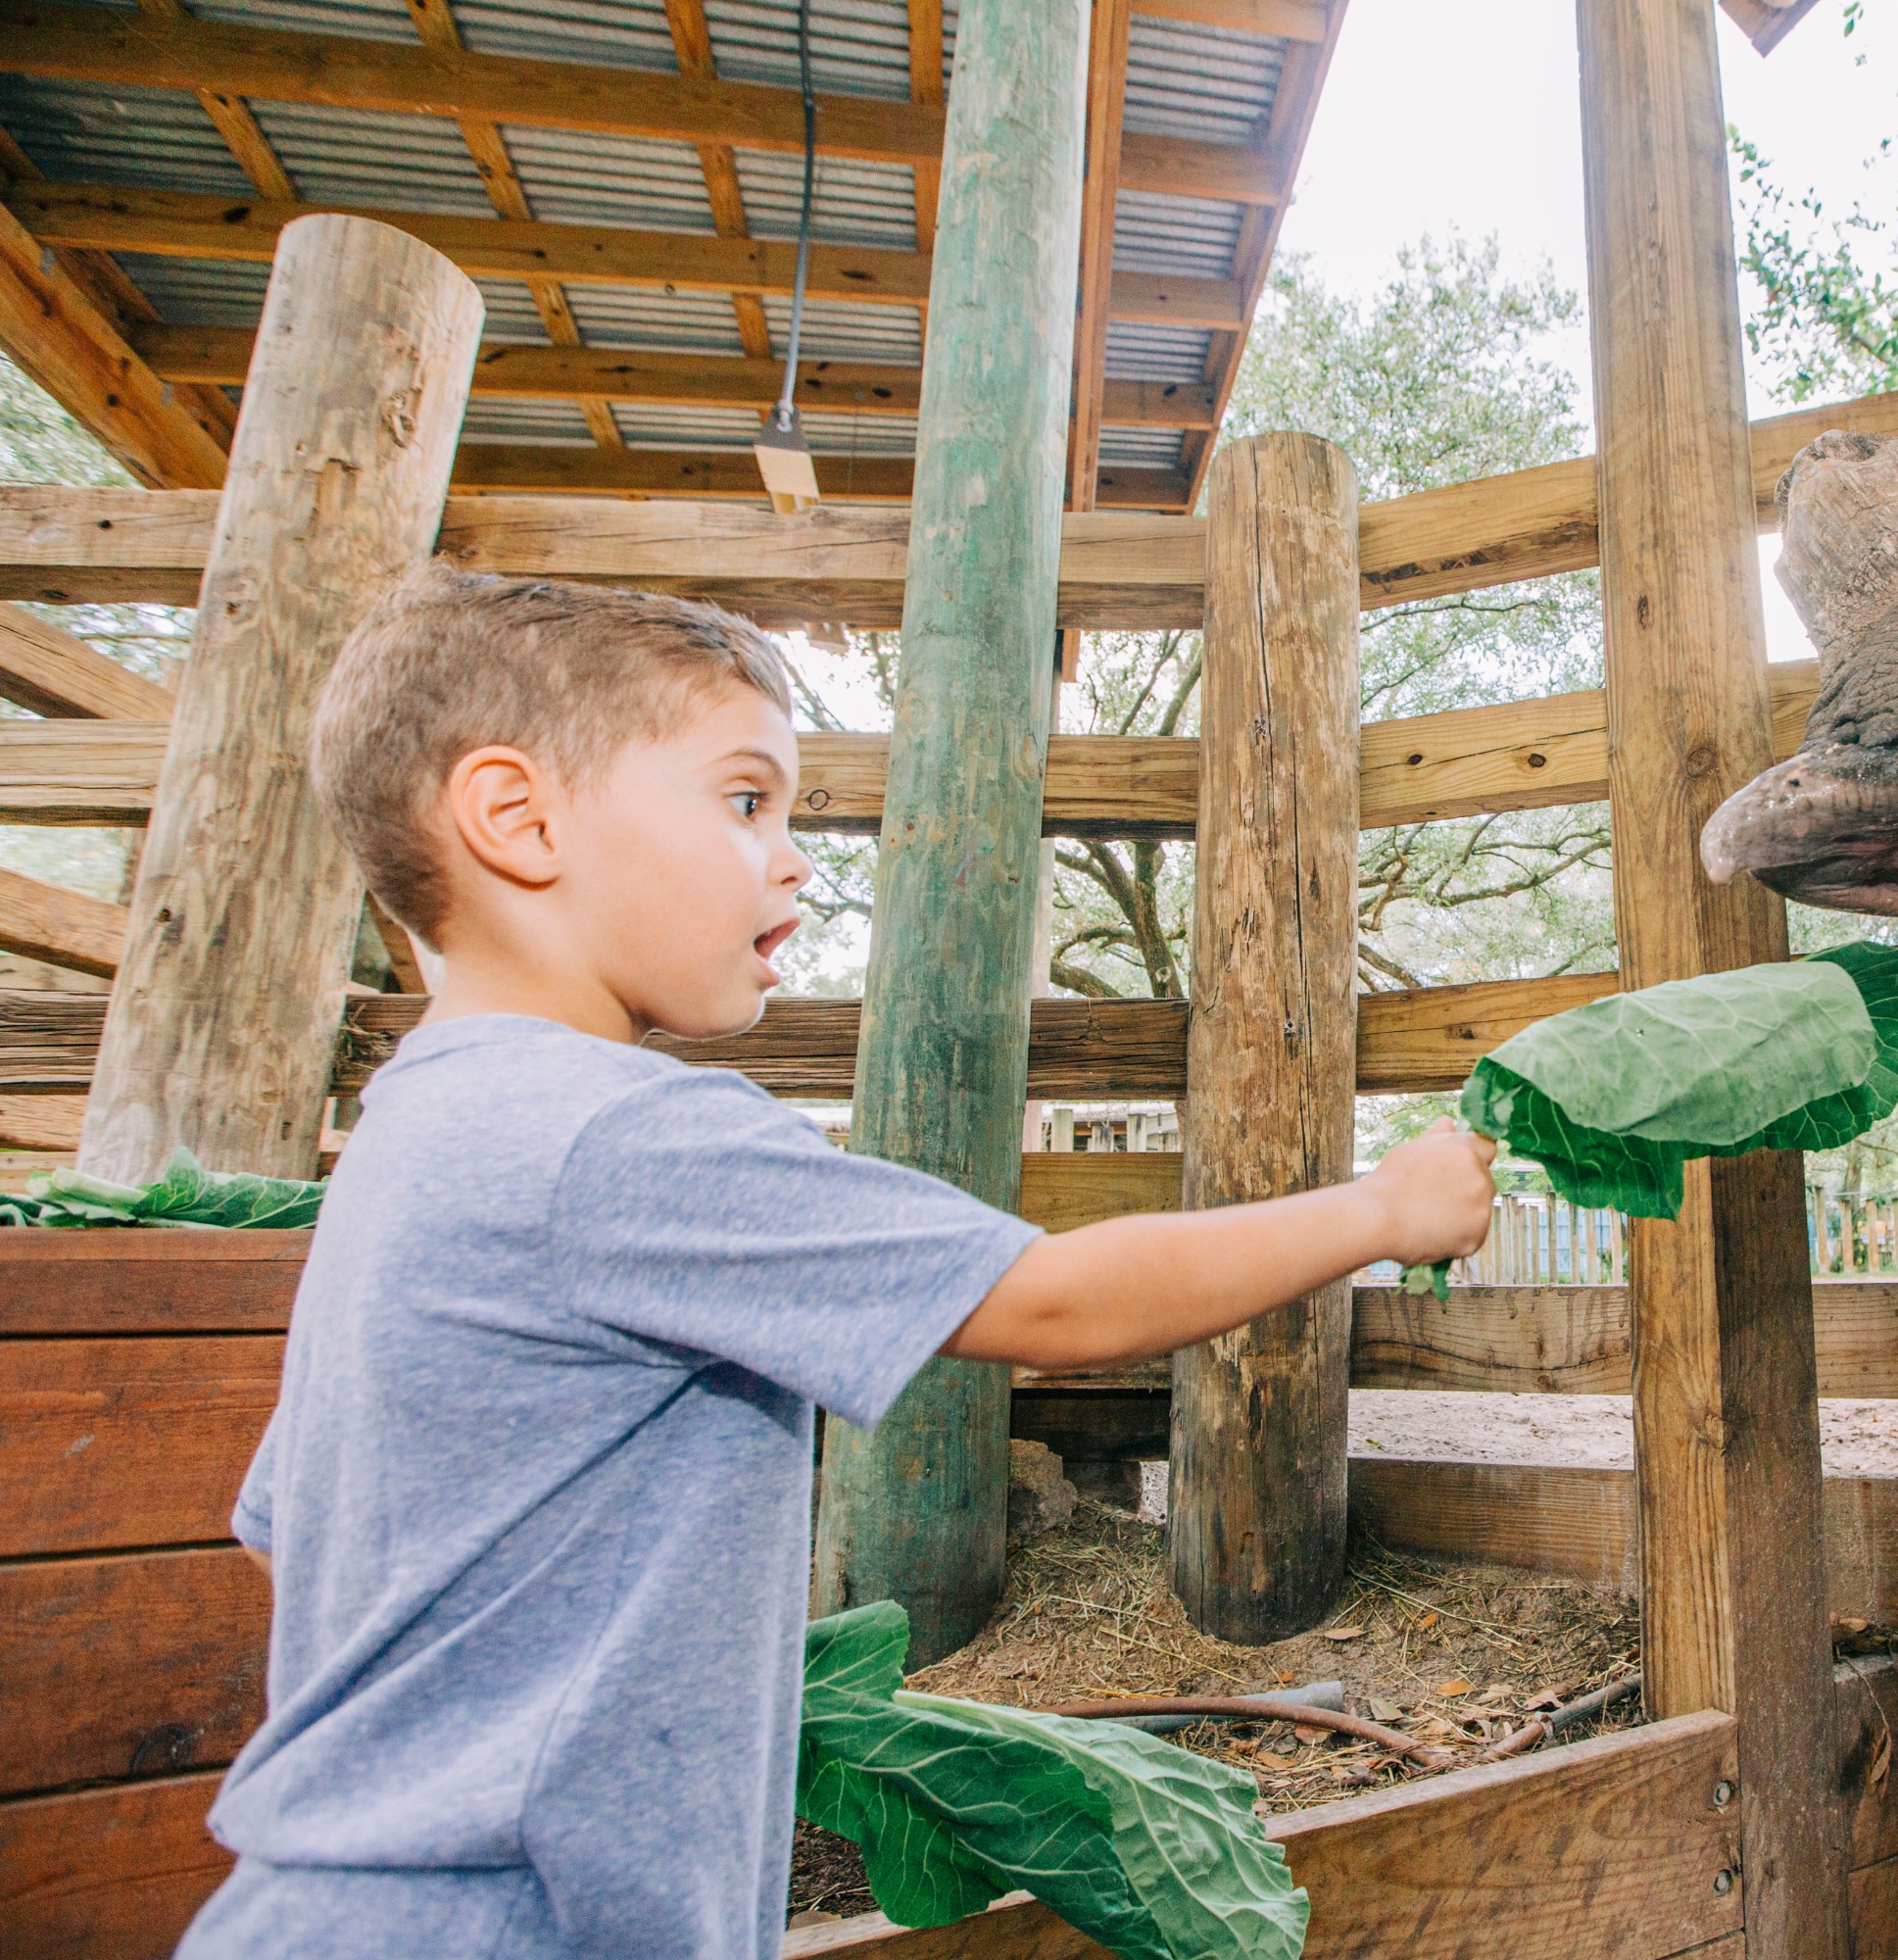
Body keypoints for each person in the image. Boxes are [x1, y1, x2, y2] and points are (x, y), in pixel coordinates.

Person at [179, 565, 1497, 1959]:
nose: (797, 858)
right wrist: (1379, 1209)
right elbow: (1052, 1304)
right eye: (747, 800)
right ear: (517, 817)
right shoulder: (620, 1134)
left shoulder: (411, 1136)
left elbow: (295, 1535)